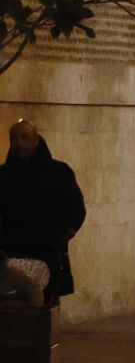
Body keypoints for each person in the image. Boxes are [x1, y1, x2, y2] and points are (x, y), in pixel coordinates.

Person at [0, 119, 87, 306]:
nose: (19, 143)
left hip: (47, 252)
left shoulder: (59, 173)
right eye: (14, 138)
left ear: (36, 139)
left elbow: (76, 209)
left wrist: (61, 237)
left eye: (25, 137)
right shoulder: (3, 176)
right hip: (10, 252)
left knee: (45, 308)